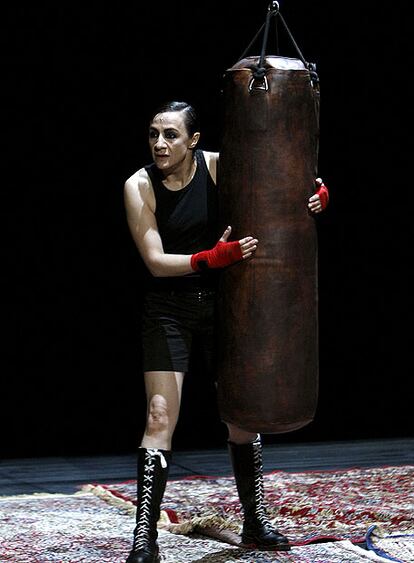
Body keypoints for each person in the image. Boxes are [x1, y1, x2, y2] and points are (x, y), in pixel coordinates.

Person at [123, 100, 329, 563]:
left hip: (226, 305)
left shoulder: (219, 167)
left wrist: (316, 192)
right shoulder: (139, 185)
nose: (159, 143)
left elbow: (284, 183)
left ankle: (254, 524)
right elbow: (156, 263)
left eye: (171, 135)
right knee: (159, 416)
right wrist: (210, 258)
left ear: (193, 141)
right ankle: (144, 537)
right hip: (168, 308)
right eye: (153, 133)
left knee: (242, 415)